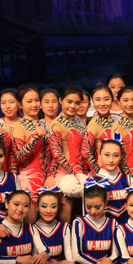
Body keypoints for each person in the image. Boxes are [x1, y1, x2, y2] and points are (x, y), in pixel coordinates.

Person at [72, 183, 118, 264]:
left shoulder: (113, 223)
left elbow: (115, 255)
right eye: (89, 207)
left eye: (98, 207)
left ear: (105, 203)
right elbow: (76, 255)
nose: (93, 211)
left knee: (107, 261)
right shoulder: (79, 223)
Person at [49, 85, 90, 222]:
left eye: (77, 103)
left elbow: (85, 149)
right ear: (61, 100)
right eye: (69, 102)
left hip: (82, 171)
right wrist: (74, 173)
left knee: (81, 213)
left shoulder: (80, 122)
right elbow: (56, 153)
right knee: (66, 210)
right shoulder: (55, 124)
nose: (73, 106)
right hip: (65, 172)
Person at [33, 188, 78, 264]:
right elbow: (35, 255)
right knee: (51, 263)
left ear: (58, 208)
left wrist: (71, 263)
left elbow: (68, 249)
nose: (48, 211)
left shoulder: (64, 227)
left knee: (66, 263)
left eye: (53, 206)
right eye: (44, 206)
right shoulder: (33, 228)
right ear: (37, 207)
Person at [104, 87, 133, 190]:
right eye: (125, 100)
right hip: (128, 178)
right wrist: (130, 179)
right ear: (119, 102)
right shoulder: (118, 126)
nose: (130, 104)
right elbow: (117, 154)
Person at [11, 85, 51, 201]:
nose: (34, 105)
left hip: (49, 179)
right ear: (20, 104)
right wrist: (35, 136)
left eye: (37, 100)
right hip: (29, 179)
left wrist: (51, 175)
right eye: (29, 101)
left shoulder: (47, 125)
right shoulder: (19, 126)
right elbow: (17, 157)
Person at [93, 139, 133, 223]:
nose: (111, 160)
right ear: (99, 155)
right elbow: (88, 216)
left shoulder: (128, 180)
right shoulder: (92, 182)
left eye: (116, 155)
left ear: (121, 156)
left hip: (125, 228)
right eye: (107, 155)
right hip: (103, 229)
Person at [85, 85, 114, 174]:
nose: (102, 103)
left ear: (112, 99)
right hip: (103, 173)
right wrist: (99, 171)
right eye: (98, 100)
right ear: (93, 101)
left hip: (118, 171)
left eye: (106, 99)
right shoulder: (94, 124)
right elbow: (85, 151)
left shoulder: (115, 121)